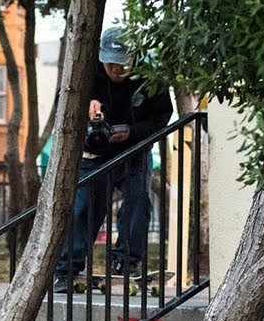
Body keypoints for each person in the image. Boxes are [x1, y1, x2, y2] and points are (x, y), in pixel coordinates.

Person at [52, 26, 174, 293]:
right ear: (101, 58)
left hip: (133, 153)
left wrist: (132, 132)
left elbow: (163, 116)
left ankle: (126, 262)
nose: (116, 70)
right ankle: (66, 269)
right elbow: (62, 104)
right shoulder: (86, 73)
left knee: (139, 202)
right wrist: (84, 106)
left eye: (122, 65)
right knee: (84, 209)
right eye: (111, 65)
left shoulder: (149, 76)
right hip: (93, 154)